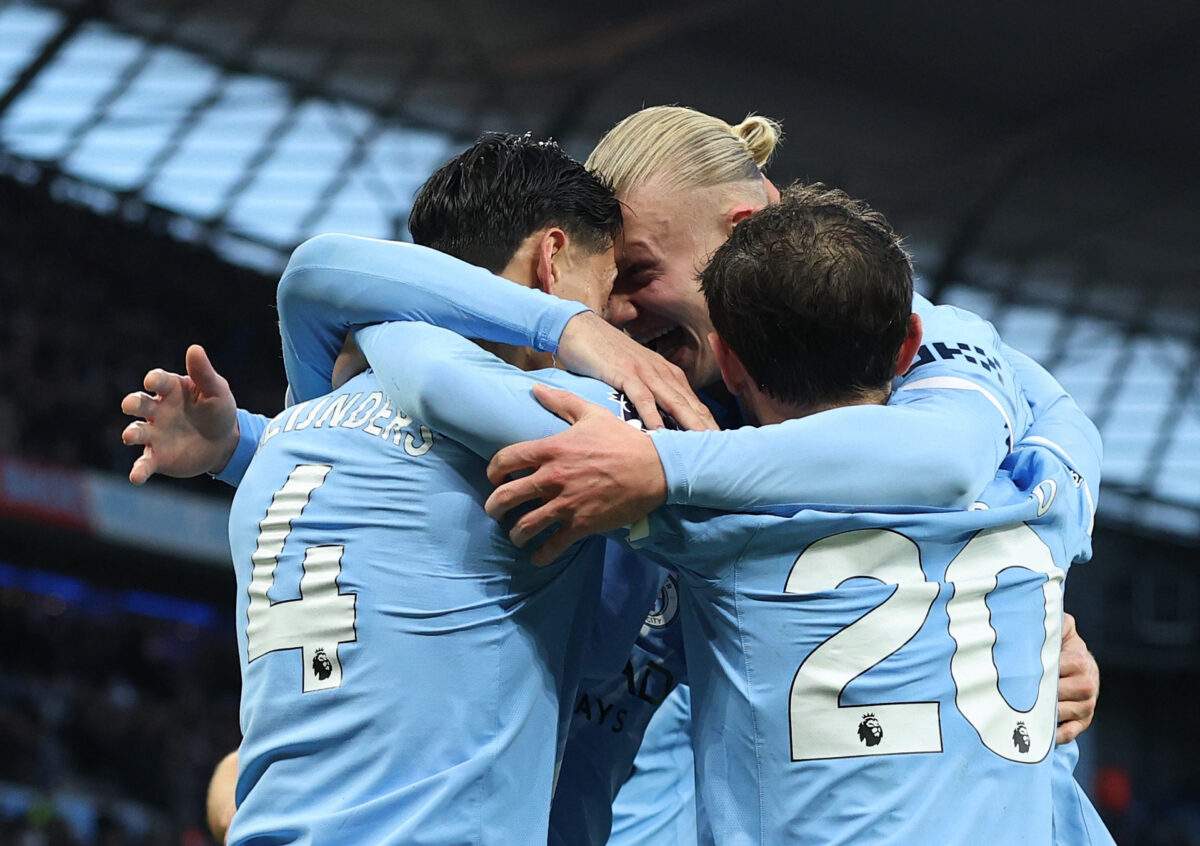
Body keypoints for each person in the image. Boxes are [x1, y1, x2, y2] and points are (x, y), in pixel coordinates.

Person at [122, 119, 1102, 841]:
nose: (622, 318)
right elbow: (374, 337)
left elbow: (942, 461)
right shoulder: (611, 429)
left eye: (636, 275)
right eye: (612, 286)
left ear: (745, 230)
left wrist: (653, 465)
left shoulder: (898, 343)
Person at [424, 184, 1111, 842]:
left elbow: (437, 379)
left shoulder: (715, 523)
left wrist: (568, 334)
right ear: (909, 343)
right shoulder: (1039, 494)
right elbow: (1049, 403)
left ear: (727, 361)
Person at [206, 133, 676, 844]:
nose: (616, 322)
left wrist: (384, 334)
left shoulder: (298, 427)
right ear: (551, 259)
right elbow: (606, 647)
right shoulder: (550, 417)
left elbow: (315, 276)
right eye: (608, 289)